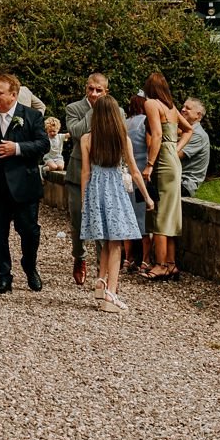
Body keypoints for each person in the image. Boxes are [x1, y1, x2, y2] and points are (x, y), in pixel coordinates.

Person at [80, 93, 153, 313]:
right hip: (115, 191)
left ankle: (101, 282)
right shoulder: (122, 138)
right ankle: (111, 293)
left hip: (95, 189)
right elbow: (134, 171)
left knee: (106, 241)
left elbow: (85, 172)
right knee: (116, 243)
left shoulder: (86, 139)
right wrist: (147, 198)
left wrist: (85, 201)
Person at [0, 73, 45, 293]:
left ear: (13, 95)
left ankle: (29, 265)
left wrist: (17, 148)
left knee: (30, 231)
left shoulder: (32, 116)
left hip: (24, 185)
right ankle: (3, 276)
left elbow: (43, 144)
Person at [141, 71, 192, 280]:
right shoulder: (170, 107)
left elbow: (157, 135)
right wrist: (175, 147)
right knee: (170, 211)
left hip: (162, 160)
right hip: (173, 160)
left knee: (160, 212)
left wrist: (150, 165)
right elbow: (189, 130)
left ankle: (161, 264)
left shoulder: (152, 104)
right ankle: (171, 263)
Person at [62, 73, 108, 285]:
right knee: (78, 221)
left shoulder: (115, 110)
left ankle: (103, 269)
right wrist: (93, 111)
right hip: (78, 172)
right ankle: (79, 257)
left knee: (103, 224)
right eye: (91, 89)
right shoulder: (74, 109)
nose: (94, 93)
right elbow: (77, 132)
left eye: (99, 90)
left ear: (106, 91)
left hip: (103, 173)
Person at [124, 93, 152, 274]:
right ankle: (146, 259)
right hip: (142, 173)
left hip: (127, 174)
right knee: (143, 219)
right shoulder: (146, 123)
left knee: (127, 216)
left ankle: (128, 258)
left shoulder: (125, 123)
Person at [179, 98, 211, 196]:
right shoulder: (184, 131)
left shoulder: (198, 135)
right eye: (183, 107)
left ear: (198, 115)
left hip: (184, 184)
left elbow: (174, 156)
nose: (183, 110)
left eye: (188, 108)